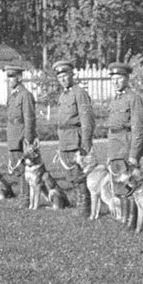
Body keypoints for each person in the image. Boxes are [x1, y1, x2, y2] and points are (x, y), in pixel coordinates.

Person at [105, 62, 143, 229]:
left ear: (127, 78)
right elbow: (112, 128)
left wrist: (134, 155)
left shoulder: (133, 98)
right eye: (113, 78)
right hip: (115, 148)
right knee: (118, 186)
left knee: (129, 185)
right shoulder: (116, 99)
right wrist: (110, 153)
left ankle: (131, 221)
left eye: (119, 78)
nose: (116, 81)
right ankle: (123, 218)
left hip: (127, 146)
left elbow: (139, 129)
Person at [52, 60, 94, 216]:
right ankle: (78, 204)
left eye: (65, 75)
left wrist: (85, 143)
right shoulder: (63, 95)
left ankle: (84, 208)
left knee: (79, 176)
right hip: (65, 140)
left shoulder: (79, 93)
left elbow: (87, 119)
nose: (63, 79)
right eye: (60, 76)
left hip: (76, 141)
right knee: (71, 176)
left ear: (72, 75)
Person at [5, 64, 38, 206]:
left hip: (21, 137)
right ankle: (23, 196)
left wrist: (28, 140)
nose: (9, 79)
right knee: (18, 169)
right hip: (12, 135)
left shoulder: (26, 95)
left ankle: (25, 199)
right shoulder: (13, 96)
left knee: (24, 168)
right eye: (8, 77)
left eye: (12, 76)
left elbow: (29, 119)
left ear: (19, 78)